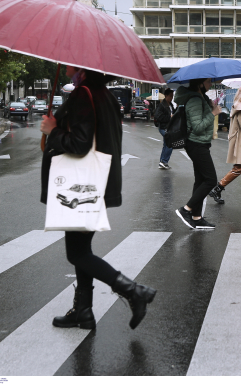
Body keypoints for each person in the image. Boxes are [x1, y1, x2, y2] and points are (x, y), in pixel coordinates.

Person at [40, 66, 156, 330]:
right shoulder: (103, 94)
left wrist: (52, 131)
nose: (67, 64)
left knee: (77, 253)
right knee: (82, 250)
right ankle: (83, 311)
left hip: (81, 188)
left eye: (71, 61)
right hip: (96, 185)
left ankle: (133, 291)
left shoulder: (84, 93)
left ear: (81, 66)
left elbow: (80, 144)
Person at [175, 77, 222, 230]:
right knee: (210, 180)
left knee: (200, 180)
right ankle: (186, 209)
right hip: (196, 144)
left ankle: (196, 217)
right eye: (208, 82)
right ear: (200, 83)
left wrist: (209, 107)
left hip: (200, 143)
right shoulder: (194, 100)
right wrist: (213, 113)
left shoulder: (201, 98)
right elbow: (198, 127)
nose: (210, 84)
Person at [155, 88, 175, 170]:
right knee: (170, 144)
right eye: (170, 96)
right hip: (163, 127)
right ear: (166, 96)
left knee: (166, 144)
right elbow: (158, 116)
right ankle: (164, 161)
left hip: (169, 127)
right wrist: (169, 117)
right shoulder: (162, 105)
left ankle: (162, 162)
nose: (171, 98)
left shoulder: (171, 105)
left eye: (172, 96)